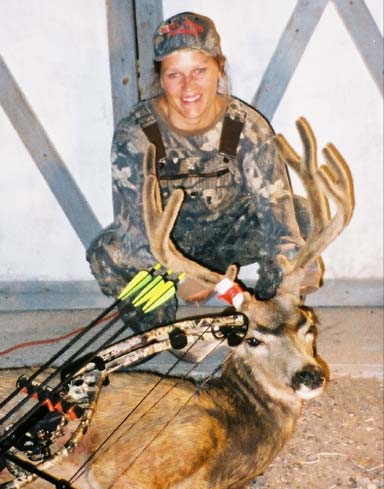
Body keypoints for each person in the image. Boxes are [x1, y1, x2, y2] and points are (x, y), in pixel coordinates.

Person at [86, 11, 321, 333]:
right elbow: (135, 230)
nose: (188, 87)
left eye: (199, 70)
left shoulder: (244, 126)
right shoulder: (137, 134)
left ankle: (267, 318)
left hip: (230, 236)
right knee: (107, 253)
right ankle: (158, 330)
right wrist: (176, 275)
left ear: (218, 69)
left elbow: (275, 208)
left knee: (303, 215)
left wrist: (295, 263)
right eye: (174, 75)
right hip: (167, 247)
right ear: (160, 78)